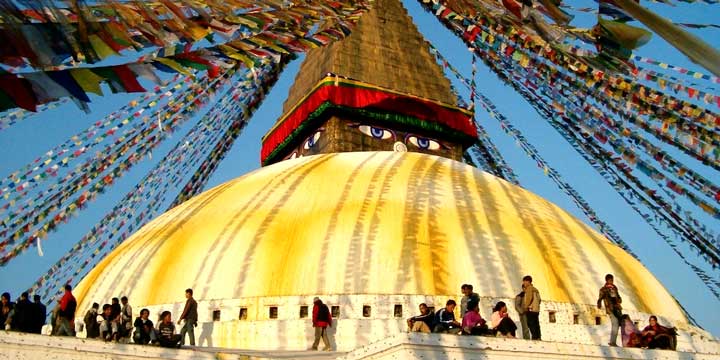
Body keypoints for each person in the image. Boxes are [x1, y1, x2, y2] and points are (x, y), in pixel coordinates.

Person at [597, 274, 622, 346]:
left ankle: (613, 341)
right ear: (607, 280)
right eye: (610, 280)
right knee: (615, 322)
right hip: (610, 308)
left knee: (617, 324)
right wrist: (599, 304)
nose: (611, 281)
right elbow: (600, 298)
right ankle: (612, 342)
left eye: (612, 280)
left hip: (617, 308)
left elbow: (619, 298)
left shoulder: (614, 289)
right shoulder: (603, 289)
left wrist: (618, 299)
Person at [522, 275, 541, 340]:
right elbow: (539, 299)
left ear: (528, 281)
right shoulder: (536, 290)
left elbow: (529, 298)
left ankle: (535, 337)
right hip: (536, 310)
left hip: (531, 309)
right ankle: (538, 337)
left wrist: (526, 306)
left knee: (531, 324)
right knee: (536, 324)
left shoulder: (529, 288)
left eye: (524, 281)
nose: (523, 283)